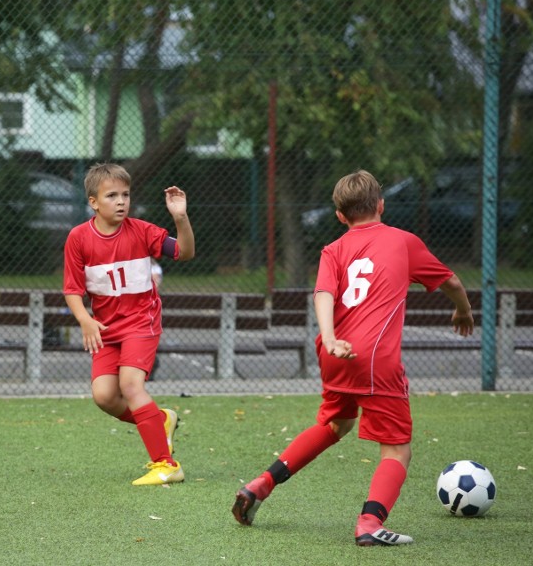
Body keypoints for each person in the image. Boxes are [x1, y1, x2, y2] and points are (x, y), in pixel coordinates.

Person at [231, 170, 474, 546]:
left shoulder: (333, 249)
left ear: (340, 216)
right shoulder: (403, 242)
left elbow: (323, 294)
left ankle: (261, 485)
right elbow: (453, 283)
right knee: (397, 448)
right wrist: (463, 311)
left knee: (335, 425)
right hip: (375, 359)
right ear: (381, 204)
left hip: (335, 353)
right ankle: (370, 524)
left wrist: (329, 338)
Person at [63, 163, 195, 485]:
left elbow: (184, 253)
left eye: (125, 194)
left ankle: (166, 464)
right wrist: (86, 320)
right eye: (112, 195)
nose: (121, 201)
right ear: (93, 202)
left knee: (131, 386)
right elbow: (72, 289)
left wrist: (180, 218)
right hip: (106, 329)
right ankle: (161, 419)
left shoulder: (142, 231)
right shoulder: (79, 238)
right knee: (105, 396)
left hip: (141, 322)